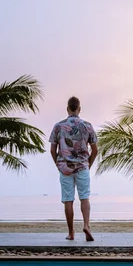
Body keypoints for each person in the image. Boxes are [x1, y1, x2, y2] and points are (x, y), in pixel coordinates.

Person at [49, 96, 98, 241]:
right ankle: (86, 226)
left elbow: (52, 150)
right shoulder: (87, 125)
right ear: (79, 109)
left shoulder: (58, 126)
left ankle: (71, 233)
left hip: (65, 167)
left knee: (68, 200)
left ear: (67, 109)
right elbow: (95, 150)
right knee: (84, 197)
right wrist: (88, 164)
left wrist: (58, 164)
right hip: (82, 166)